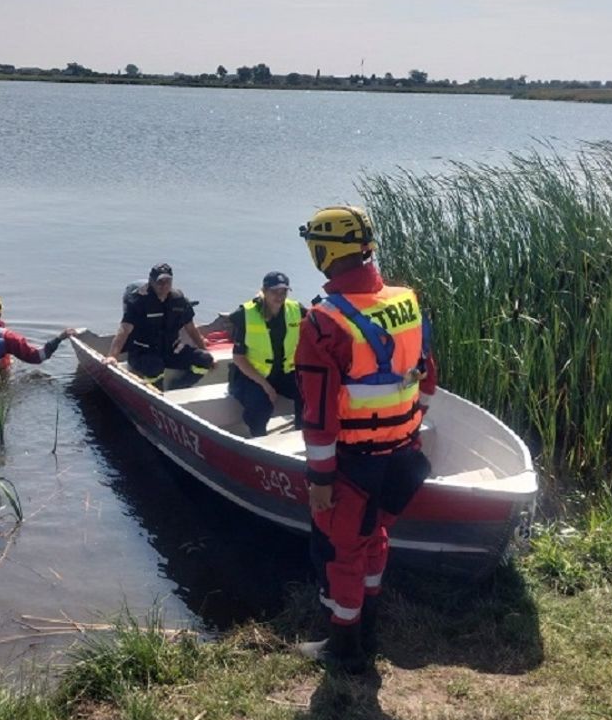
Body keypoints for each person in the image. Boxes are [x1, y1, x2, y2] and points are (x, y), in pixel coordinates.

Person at [293, 205, 437, 674]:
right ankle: (368, 626)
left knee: (341, 555)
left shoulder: (323, 322)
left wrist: (320, 479)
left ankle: (345, 650)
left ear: (323, 252)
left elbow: (318, 417)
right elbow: (426, 376)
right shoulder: (407, 301)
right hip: (403, 456)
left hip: (353, 464)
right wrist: (412, 426)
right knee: (376, 538)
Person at [104, 263, 215, 390]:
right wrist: (112, 356)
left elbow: (191, 328)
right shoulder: (139, 301)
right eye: (160, 282)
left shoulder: (178, 299)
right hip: (143, 353)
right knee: (155, 366)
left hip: (170, 350)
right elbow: (124, 330)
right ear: (151, 281)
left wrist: (204, 349)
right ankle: (156, 392)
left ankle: (179, 386)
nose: (164, 285)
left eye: (168, 281)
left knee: (205, 359)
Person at [228, 271, 306, 436]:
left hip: (283, 373)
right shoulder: (245, 314)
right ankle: (258, 438)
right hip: (250, 376)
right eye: (274, 292)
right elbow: (238, 358)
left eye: (283, 291)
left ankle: (302, 435)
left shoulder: (296, 310)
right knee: (260, 404)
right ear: (264, 291)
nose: (279, 296)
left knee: (309, 391)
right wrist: (266, 385)